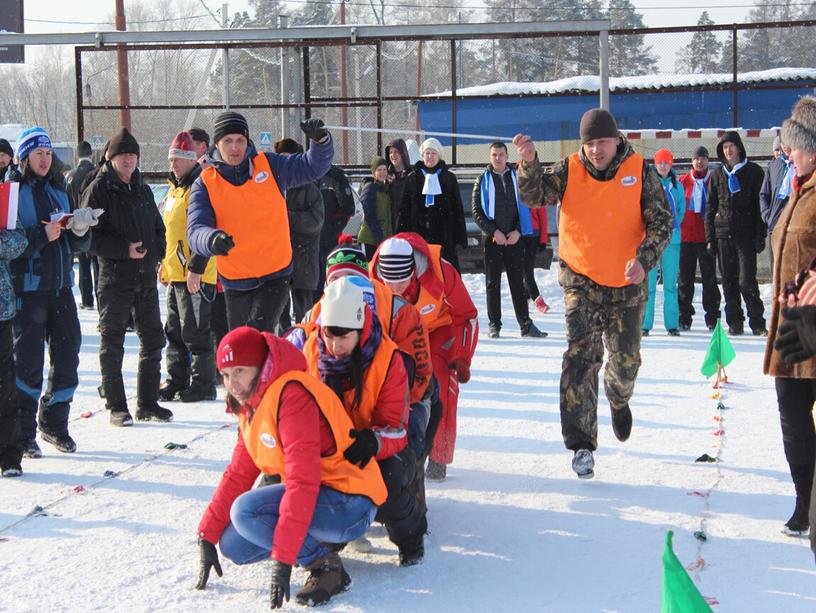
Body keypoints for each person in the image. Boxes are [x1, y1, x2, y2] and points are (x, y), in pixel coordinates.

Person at [513, 108, 672, 479]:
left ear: (617, 140)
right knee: (581, 358)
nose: (596, 150)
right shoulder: (569, 169)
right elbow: (535, 196)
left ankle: (618, 398)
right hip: (580, 279)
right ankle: (581, 444)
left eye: (602, 142)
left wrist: (644, 260)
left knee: (626, 361)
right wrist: (530, 162)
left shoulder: (641, 172)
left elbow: (662, 222)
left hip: (627, 283)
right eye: (589, 143)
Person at [195, 326, 387, 607]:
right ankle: (316, 544)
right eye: (225, 375)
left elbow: (302, 481)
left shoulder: (291, 394)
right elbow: (238, 474)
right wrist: (206, 536)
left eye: (239, 371)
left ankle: (324, 565)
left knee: (246, 511)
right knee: (233, 545)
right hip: (322, 499)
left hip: (351, 502)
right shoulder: (251, 403)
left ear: (261, 367)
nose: (232, 383)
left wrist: (286, 558)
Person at [298, 278, 427, 566]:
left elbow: (398, 429)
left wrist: (373, 441)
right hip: (328, 448)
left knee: (388, 480)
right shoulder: (310, 351)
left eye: (343, 337)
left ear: (360, 330)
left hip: (377, 445)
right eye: (329, 335)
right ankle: (324, 541)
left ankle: (411, 540)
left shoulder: (388, 359)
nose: (334, 345)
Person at [187, 112, 333, 333]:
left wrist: (321, 142)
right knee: (241, 344)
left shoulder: (270, 165)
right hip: (235, 278)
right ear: (216, 144)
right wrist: (211, 238)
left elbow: (310, 167)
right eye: (228, 141)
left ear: (248, 142)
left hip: (275, 273)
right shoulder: (205, 183)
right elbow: (196, 227)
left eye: (240, 141)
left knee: (256, 335)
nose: (235, 147)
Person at [10, 127, 99, 457]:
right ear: (25, 158)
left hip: (61, 288)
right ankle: (22, 434)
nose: (45, 159)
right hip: (27, 290)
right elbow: (8, 242)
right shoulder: (11, 192)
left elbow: (73, 244)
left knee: (68, 356)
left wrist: (80, 230)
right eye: (37, 154)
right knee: (27, 364)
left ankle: (54, 425)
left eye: (48, 154)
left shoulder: (60, 190)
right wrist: (39, 235)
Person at [370, 233, 478, 482]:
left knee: (440, 384)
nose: (395, 289)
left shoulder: (441, 271)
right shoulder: (371, 278)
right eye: (389, 282)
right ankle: (391, 450)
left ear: (414, 271)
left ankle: (439, 454)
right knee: (388, 389)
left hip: (438, 330)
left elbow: (467, 315)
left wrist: (462, 356)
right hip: (395, 333)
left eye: (402, 282)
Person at [81, 128, 171, 427]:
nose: (129, 160)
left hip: (145, 277)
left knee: (153, 339)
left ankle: (147, 402)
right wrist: (124, 250)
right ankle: (117, 406)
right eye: (123, 155)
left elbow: (159, 229)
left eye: (133, 155)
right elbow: (86, 238)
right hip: (114, 278)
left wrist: (156, 252)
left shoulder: (143, 189)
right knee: (113, 341)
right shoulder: (98, 189)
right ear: (111, 157)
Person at [763, 95, 816, 538]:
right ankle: (804, 501)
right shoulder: (796, 189)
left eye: (792, 148)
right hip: (795, 322)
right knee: (792, 414)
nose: (786, 154)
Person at [157, 132, 218, 403]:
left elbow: (204, 230)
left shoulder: (200, 187)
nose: (173, 165)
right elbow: (171, 232)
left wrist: (196, 267)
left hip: (196, 274)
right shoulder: (175, 188)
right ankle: (176, 379)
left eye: (178, 160)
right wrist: (165, 264)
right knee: (174, 331)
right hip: (175, 274)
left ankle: (203, 383)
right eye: (171, 160)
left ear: (190, 160)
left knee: (195, 331)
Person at [472, 141, 546, 339]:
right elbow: (477, 212)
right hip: (492, 240)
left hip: (514, 238)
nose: (498, 158)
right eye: (494, 155)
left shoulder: (517, 178)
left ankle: (526, 324)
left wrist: (518, 231)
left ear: (507, 155)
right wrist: (493, 231)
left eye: (501, 154)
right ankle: (494, 324)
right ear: (490, 157)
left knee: (518, 283)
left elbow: (527, 206)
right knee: (492, 283)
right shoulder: (482, 180)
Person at [705, 130, 767, 336]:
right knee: (729, 282)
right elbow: (710, 208)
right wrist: (710, 239)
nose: (728, 150)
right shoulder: (717, 175)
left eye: (731, 146)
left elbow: (760, 209)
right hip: (723, 235)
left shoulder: (754, 172)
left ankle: (757, 322)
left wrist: (760, 235)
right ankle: (734, 322)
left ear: (739, 148)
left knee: (746, 281)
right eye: (724, 148)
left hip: (745, 236)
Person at [273, 138, 324, 330]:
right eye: (281, 158)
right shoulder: (272, 186)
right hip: (278, 257)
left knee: (304, 309)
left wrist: (288, 217)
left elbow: (315, 221)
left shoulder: (309, 188)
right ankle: (283, 343)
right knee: (279, 309)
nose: (285, 163)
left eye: (289, 158)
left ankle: (306, 342)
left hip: (304, 257)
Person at [396, 138, 467, 271]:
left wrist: (460, 238)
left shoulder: (449, 178)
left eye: (433, 153)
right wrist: (400, 234)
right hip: (418, 235)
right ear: (422, 155)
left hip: (445, 237)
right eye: (427, 153)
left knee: (445, 273)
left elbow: (458, 208)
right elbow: (404, 209)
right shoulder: (413, 178)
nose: (430, 157)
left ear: (439, 155)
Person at [678, 146, 721, 331]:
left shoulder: (714, 180)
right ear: (692, 161)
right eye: (697, 158)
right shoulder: (683, 181)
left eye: (703, 158)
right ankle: (684, 316)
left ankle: (712, 316)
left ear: (708, 160)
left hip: (706, 238)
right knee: (685, 280)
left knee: (709, 280)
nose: (700, 162)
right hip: (686, 239)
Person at [643, 149, 685, 336]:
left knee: (670, 284)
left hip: (672, 239)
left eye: (666, 162)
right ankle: (645, 324)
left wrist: (671, 228)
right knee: (649, 284)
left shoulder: (677, 186)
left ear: (671, 164)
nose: (663, 166)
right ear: (655, 164)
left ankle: (672, 324)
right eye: (660, 162)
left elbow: (681, 209)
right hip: (651, 240)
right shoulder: (649, 182)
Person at [0, 212, 27, 476]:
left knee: (4, 383)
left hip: (1, 308)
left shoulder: (4, 200)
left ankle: (9, 454)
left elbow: (19, 242)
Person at [315, 163, 355, 297]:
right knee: (312, 287)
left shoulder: (336, 176)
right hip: (308, 239)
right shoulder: (307, 172)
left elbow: (348, 208)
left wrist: (332, 229)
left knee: (334, 281)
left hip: (329, 240)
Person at [67, 140, 97, 310]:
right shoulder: (97, 172)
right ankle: (102, 302)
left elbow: (67, 199)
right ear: (91, 154)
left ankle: (87, 299)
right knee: (100, 265)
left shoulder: (71, 176)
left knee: (84, 266)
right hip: (96, 221)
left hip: (78, 223)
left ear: (77, 155)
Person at [760, 137, 795, 271]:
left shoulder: (800, 164)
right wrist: (767, 215)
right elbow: (764, 194)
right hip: (775, 225)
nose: (781, 151)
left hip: (795, 225)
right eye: (778, 149)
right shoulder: (773, 167)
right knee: (777, 268)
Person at [357, 156, 393, 260]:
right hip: (369, 239)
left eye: (384, 169)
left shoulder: (385, 189)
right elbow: (369, 214)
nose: (382, 173)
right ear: (374, 172)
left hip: (382, 239)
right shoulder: (370, 188)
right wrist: (378, 234)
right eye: (379, 170)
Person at [521, 203, 550, 315]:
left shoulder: (535, 193)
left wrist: (543, 240)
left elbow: (543, 218)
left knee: (527, 270)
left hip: (533, 237)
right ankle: (529, 298)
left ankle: (534, 299)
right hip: (519, 235)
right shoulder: (514, 191)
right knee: (525, 270)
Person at [385, 138, 412, 224]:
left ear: (403, 153)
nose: (393, 155)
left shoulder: (412, 175)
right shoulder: (386, 176)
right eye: (391, 152)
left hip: (408, 223)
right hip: (389, 224)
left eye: (396, 151)